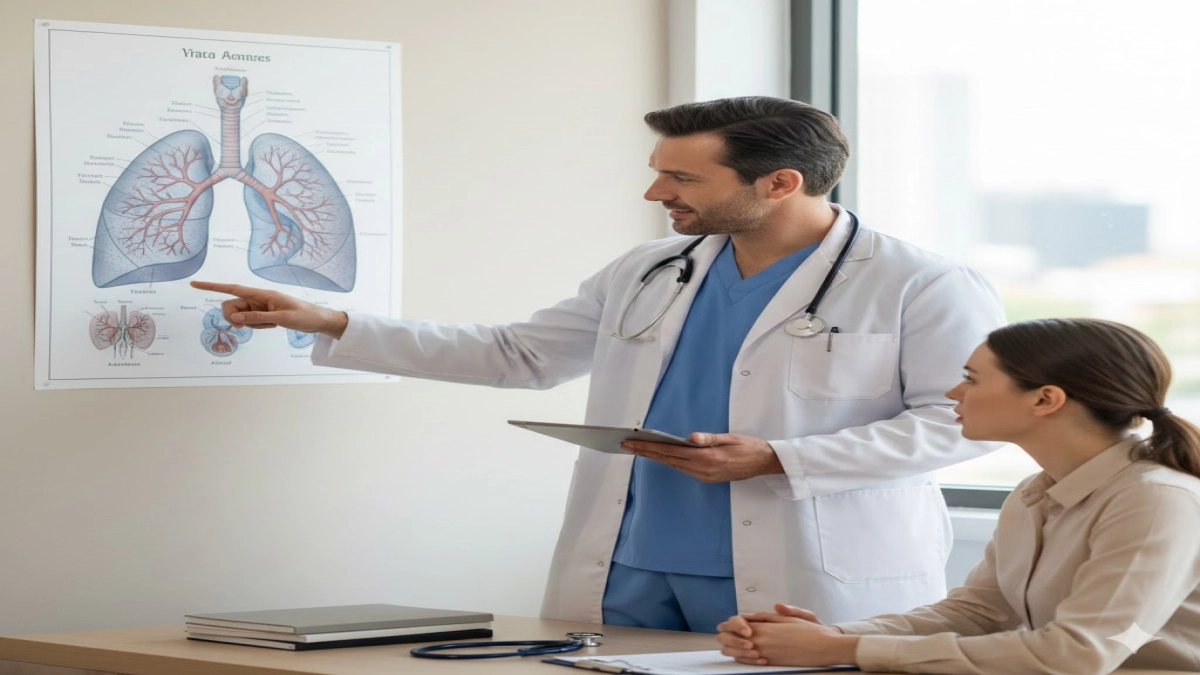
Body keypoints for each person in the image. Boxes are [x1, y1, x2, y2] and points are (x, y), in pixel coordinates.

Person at [191, 96, 1005, 632]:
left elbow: (961, 424)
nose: (658, 191)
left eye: (682, 175)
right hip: (631, 561)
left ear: (780, 181)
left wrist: (782, 458)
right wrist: (332, 320)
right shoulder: (653, 267)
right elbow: (520, 354)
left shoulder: (921, 283)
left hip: (809, 568)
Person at [717, 318, 1200, 673]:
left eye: (972, 379)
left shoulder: (1156, 500)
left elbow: (1080, 652)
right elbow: (979, 612)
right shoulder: (1037, 493)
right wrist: (831, 635)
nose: (953, 392)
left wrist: (845, 651)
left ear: (1045, 399)